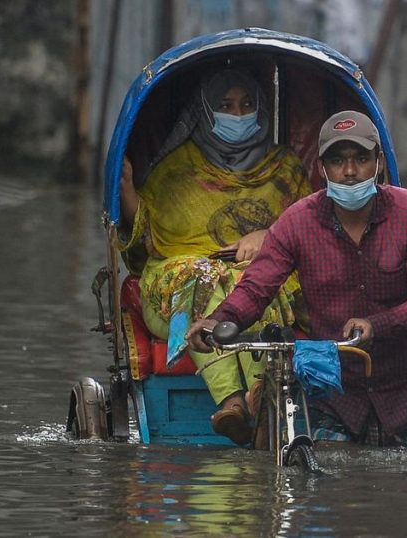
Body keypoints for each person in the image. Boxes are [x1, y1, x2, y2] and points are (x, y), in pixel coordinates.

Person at [186, 110, 407, 451]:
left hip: (404, 395)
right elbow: (257, 287)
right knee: (325, 490)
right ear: (323, 168)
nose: (350, 172)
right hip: (334, 394)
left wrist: (376, 325)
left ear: (379, 163)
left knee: (406, 495)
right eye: (338, 161)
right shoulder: (297, 222)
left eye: (361, 159)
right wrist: (221, 320)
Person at [119, 67, 313, 445]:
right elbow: (147, 242)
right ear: (207, 111)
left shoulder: (285, 168)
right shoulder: (176, 170)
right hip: (176, 292)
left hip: (261, 278)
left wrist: (269, 235)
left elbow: (311, 229)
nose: (237, 115)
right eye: (226, 105)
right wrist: (127, 193)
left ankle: (258, 397)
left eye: (246, 105)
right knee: (206, 279)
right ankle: (233, 401)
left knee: (252, 282)